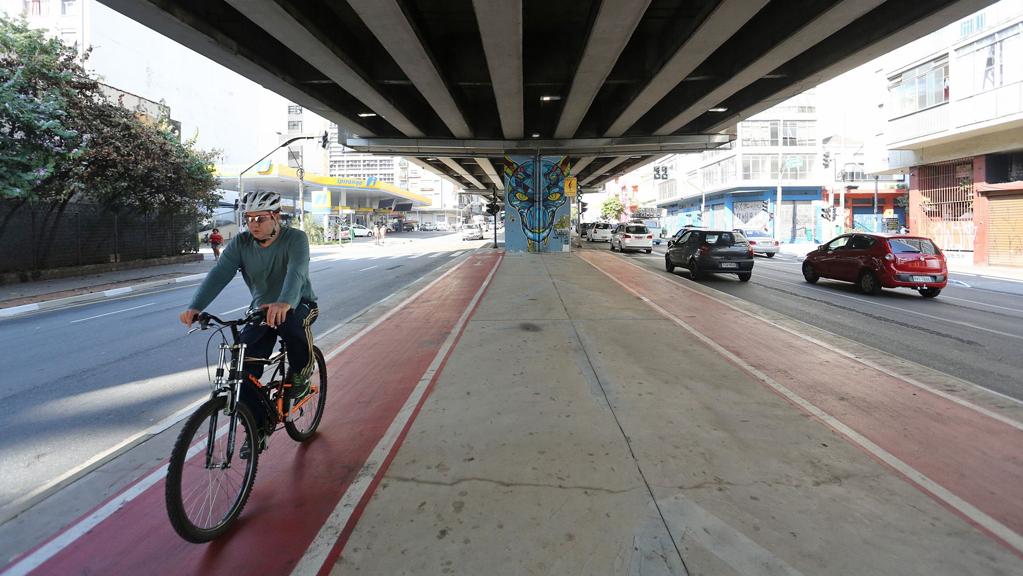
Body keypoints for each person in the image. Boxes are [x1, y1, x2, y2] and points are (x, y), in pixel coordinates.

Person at [179, 191, 318, 450]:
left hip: (298, 302)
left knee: (293, 325)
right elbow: (219, 274)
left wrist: (285, 301)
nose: (254, 224)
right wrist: (195, 306)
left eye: (261, 218)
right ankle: (259, 426)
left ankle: (302, 374)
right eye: (249, 218)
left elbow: (297, 272)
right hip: (261, 310)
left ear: (276, 217)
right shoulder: (241, 244)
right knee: (242, 372)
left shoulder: (295, 239)